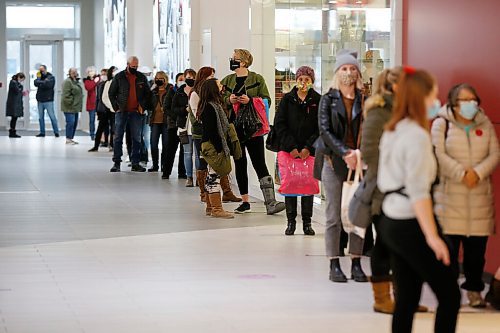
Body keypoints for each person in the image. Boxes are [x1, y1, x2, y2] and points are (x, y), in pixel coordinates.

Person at [377, 67, 461, 333]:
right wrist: (433, 237)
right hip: (410, 222)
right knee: (450, 296)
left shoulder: (394, 129)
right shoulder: (416, 137)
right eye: (434, 94)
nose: (437, 101)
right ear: (421, 97)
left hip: (390, 221)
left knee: (408, 296)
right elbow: (418, 192)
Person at [360, 67, 428, 314]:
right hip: (382, 191)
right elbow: (369, 151)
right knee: (385, 246)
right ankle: (382, 299)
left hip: (404, 190)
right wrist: (394, 174)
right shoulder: (379, 112)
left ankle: (404, 297)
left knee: (402, 248)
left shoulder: (406, 111)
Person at [432, 83, 499, 308]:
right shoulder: (442, 123)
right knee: (448, 252)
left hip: (479, 197)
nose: (470, 104)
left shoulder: (485, 122)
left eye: (473, 99)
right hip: (450, 198)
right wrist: (461, 173)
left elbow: (494, 153)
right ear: (453, 102)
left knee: (476, 254)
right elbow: (438, 153)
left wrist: (478, 173)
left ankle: (474, 291)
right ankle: (447, 293)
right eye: (464, 100)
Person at [317, 50, 368, 283]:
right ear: (337, 72)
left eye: (352, 68)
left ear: (358, 72)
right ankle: (334, 263)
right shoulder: (328, 99)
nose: (348, 72)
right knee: (334, 216)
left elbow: (369, 130)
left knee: (357, 214)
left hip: (359, 163)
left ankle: (356, 262)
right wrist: (345, 152)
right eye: (344, 69)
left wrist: (359, 154)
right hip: (333, 162)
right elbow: (325, 131)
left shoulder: (365, 99)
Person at [221, 49, 285, 215]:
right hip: (234, 130)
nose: (232, 61)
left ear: (243, 62)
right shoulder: (227, 80)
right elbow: (218, 99)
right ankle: (245, 201)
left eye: (234, 59)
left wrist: (251, 100)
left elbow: (267, 101)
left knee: (259, 163)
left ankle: (270, 201)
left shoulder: (257, 79)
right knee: (240, 164)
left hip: (253, 130)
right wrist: (229, 100)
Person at [274, 66, 320, 236]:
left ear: (312, 81)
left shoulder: (318, 100)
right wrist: (291, 147)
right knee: (291, 185)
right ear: (296, 80)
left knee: (308, 186)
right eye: (300, 79)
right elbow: (280, 124)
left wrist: (308, 147)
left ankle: (307, 222)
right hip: (289, 150)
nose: (303, 82)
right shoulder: (287, 99)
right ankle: (291, 222)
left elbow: (320, 127)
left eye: (307, 79)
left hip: (310, 151)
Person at [198, 78, 236, 219]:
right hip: (212, 145)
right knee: (215, 175)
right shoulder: (210, 107)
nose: (222, 86)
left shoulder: (211, 105)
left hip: (209, 145)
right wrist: (220, 147)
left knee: (211, 175)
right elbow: (211, 130)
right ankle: (217, 208)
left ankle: (210, 207)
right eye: (219, 85)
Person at [108, 56, 152, 172]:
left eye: (136, 66)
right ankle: (116, 162)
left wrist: (142, 106)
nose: (135, 68)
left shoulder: (141, 77)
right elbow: (111, 93)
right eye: (133, 66)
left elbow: (148, 94)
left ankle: (135, 163)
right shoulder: (119, 77)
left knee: (136, 138)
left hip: (136, 113)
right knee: (118, 137)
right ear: (127, 64)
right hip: (121, 112)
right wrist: (116, 107)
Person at [172, 68, 197, 186]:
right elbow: (173, 109)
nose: (190, 80)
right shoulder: (179, 92)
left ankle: (199, 177)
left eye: (192, 78)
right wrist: (184, 110)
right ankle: (189, 177)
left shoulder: (198, 91)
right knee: (187, 153)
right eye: (188, 77)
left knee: (198, 154)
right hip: (184, 126)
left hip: (196, 126)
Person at [163, 73, 187, 179]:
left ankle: (182, 173)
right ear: (176, 80)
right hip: (173, 125)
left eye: (184, 79)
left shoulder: (188, 92)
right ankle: (166, 172)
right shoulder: (172, 91)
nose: (182, 81)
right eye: (180, 79)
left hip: (184, 125)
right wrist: (176, 116)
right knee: (170, 149)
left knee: (183, 150)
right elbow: (166, 107)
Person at [148, 71, 172, 172]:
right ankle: (155, 165)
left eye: (161, 78)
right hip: (154, 121)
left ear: (165, 79)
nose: (159, 80)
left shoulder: (170, 90)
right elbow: (147, 103)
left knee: (166, 145)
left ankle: (164, 165)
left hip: (166, 121)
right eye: (157, 78)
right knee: (153, 144)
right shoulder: (153, 90)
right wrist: (151, 90)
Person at [88, 68, 113, 152]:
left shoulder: (111, 83)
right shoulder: (100, 84)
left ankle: (111, 145)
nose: (103, 76)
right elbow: (98, 98)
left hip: (111, 109)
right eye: (102, 74)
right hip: (103, 110)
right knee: (101, 128)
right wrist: (97, 110)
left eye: (104, 74)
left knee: (112, 128)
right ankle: (96, 145)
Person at [34, 65, 59, 137]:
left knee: (52, 116)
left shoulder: (51, 77)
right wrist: (41, 80)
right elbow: (35, 83)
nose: (40, 71)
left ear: (45, 69)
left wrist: (40, 82)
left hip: (48, 100)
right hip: (40, 100)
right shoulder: (39, 77)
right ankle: (42, 133)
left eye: (42, 70)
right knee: (40, 118)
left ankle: (56, 132)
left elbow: (48, 85)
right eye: (39, 70)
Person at [61, 68, 83, 145]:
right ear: (69, 73)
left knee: (74, 123)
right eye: (73, 72)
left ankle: (70, 138)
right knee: (70, 122)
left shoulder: (76, 82)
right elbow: (65, 95)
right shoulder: (67, 82)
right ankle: (68, 138)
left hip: (76, 107)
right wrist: (71, 102)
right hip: (69, 107)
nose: (74, 73)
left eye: (76, 72)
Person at [6, 72, 26, 138]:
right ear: (19, 77)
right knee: (14, 118)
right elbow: (17, 91)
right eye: (22, 79)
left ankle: (12, 132)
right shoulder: (13, 82)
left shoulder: (15, 83)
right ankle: (12, 133)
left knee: (14, 118)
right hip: (13, 104)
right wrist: (21, 87)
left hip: (15, 103)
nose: (22, 81)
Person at [83, 66, 100, 140]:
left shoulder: (99, 78)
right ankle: (92, 134)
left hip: (100, 103)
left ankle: (100, 135)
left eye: (92, 71)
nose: (91, 73)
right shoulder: (87, 81)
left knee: (101, 120)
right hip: (91, 104)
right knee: (92, 120)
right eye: (89, 71)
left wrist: (96, 81)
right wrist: (94, 82)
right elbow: (88, 88)